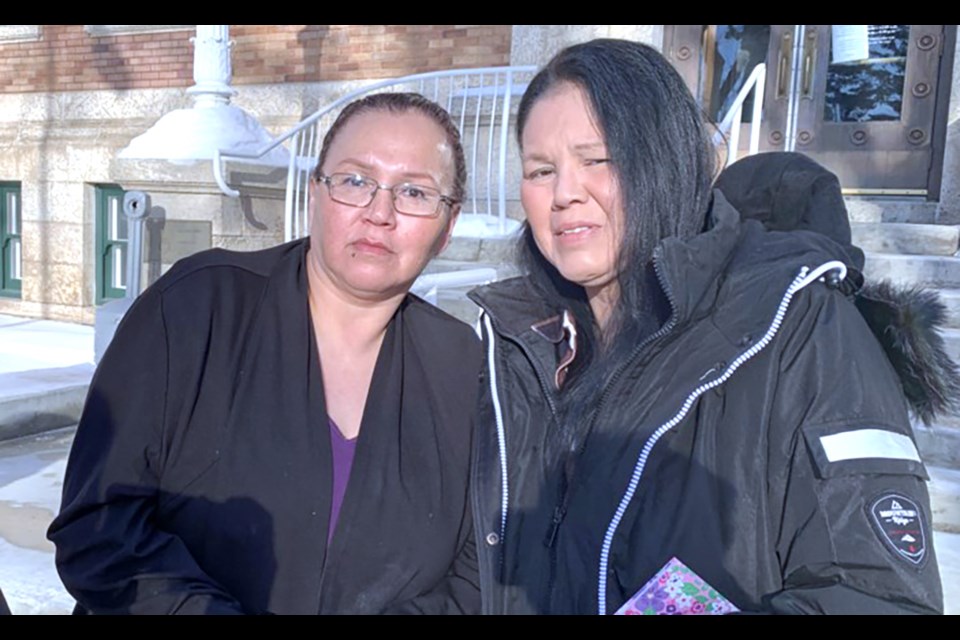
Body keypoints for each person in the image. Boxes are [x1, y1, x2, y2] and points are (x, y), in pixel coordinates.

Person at [468, 39, 948, 614]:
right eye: (540, 170)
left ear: (666, 160)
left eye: (597, 160)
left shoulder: (796, 328)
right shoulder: (523, 347)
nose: (565, 193)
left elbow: (879, 595)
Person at [48, 92, 482, 615]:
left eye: (414, 192)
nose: (379, 212)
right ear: (315, 194)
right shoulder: (198, 308)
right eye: (355, 181)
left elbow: (479, 571)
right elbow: (97, 525)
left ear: (447, 226)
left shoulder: (465, 374)